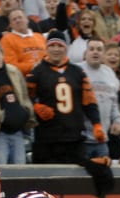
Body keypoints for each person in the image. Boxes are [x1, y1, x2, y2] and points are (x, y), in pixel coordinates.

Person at [27, 30, 103, 164]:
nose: (56, 49)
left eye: (60, 46)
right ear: (46, 48)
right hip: (46, 138)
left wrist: (96, 124)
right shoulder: (36, 72)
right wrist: (35, 107)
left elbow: (89, 100)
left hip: (73, 137)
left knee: (74, 180)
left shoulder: (78, 72)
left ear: (66, 48)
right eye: (52, 45)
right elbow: (25, 98)